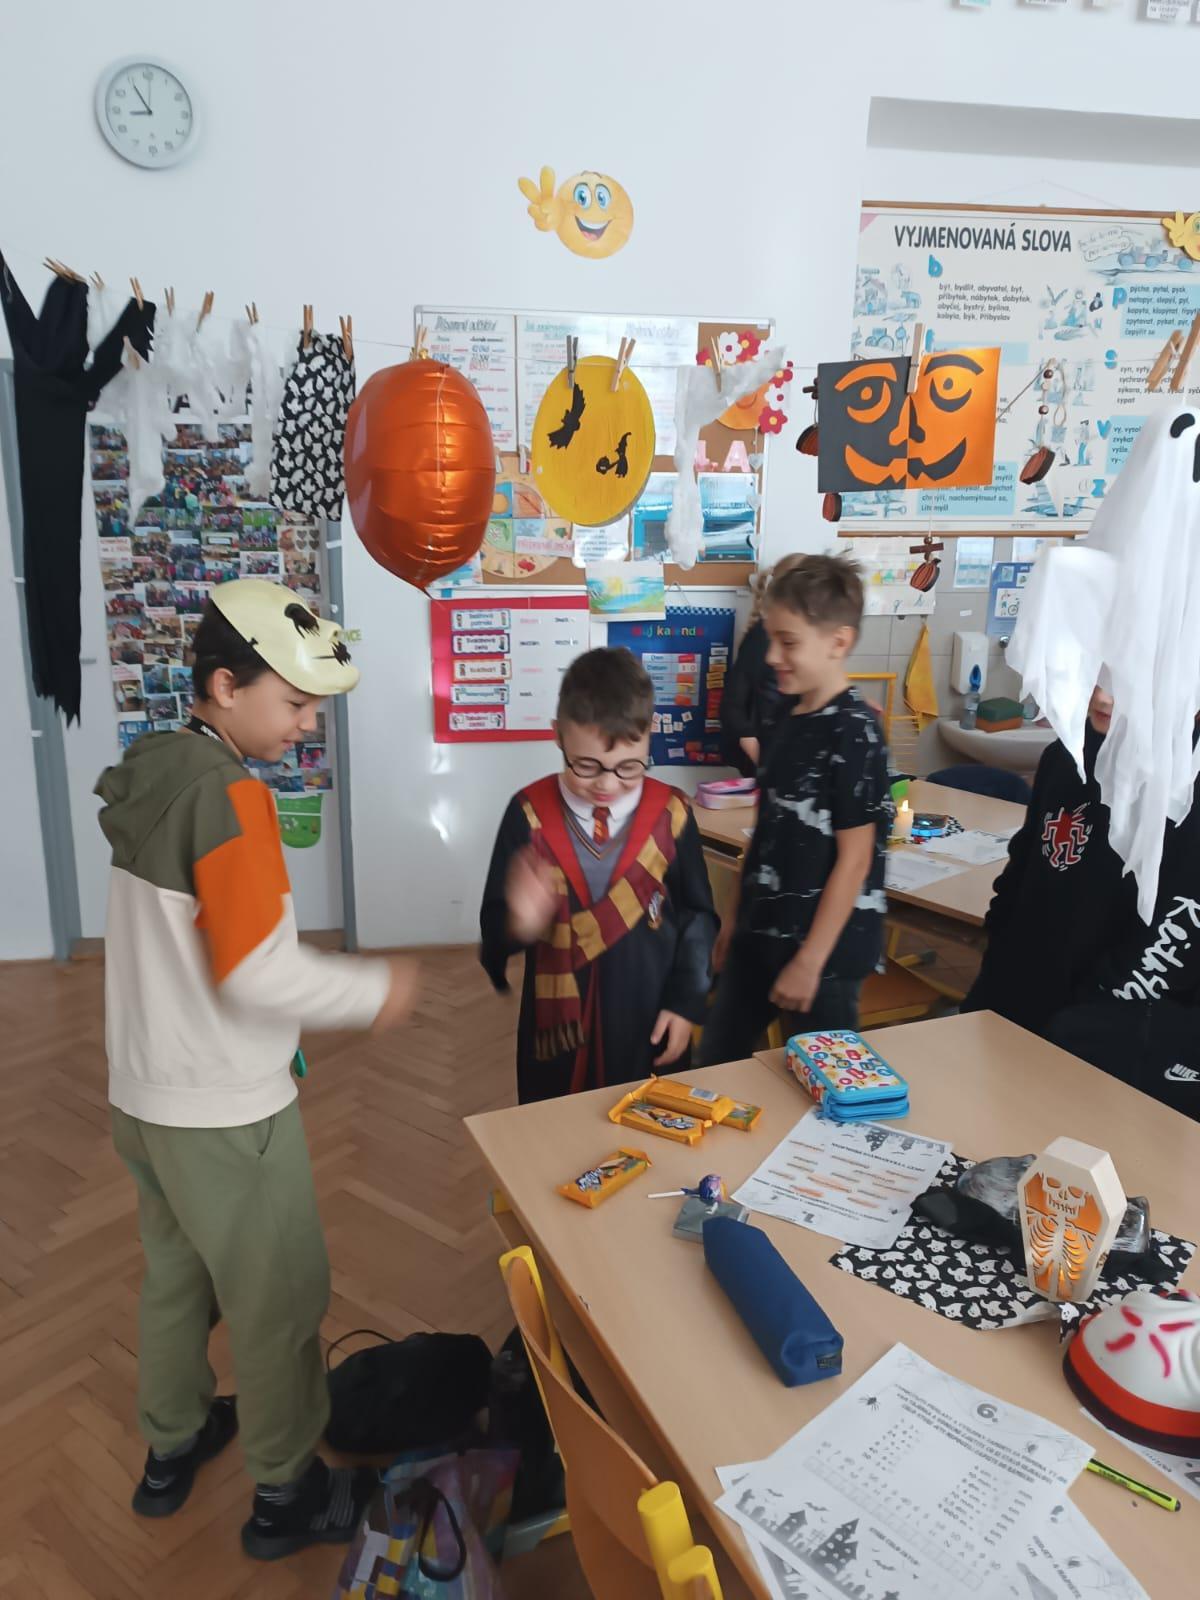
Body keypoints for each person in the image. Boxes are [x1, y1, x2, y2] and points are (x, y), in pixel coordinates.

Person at [96, 579, 419, 1560]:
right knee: (278, 1298)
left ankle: (174, 1441)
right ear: (227, 686)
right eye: (295, 701)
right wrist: (373, 990)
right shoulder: (232, 798)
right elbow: (256, 971)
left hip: (144, 1096)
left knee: (176, 1276)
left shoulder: (157, 765)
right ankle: (285, 1492)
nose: (308, 723)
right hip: (225, 1111)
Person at [480, 647, 717, 1103]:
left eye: (629, 767)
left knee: (650, 1125)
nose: (606, 784)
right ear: (558, 736)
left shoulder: (672, 812)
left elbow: (698, 918)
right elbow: (494, 927)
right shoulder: (527, 813)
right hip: (557, 1034)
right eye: (586, 765)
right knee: (554, 1131)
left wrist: (686, 1003)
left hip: (650, 1017)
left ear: (649, 735)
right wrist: (518, 924)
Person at [963, 686, 1200, 1119]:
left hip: (1113, 1054)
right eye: (1099, 670)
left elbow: (1172, 934)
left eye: (1128, 679)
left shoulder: (1186, 786)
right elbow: (1022, 874)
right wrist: (989, 984)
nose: (1103, 697)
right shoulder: (1065, 755)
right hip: (1014, 1014)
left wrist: (1084, 1027)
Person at [699, 555, 891, 1064]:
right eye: (770, 640)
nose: (772, 657)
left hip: (824, 957)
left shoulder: (855, 731)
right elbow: (765, 830)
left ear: (838, 642)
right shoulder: (783, 714)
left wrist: (810, 961)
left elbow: (855, 860)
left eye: (788, 643)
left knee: (822, 1081)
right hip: (758, 937)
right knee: (717, 1065)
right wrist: (732, 919)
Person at [719, 553, 804, 774]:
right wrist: (764, 760)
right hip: (770, 753)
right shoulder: (761, 637)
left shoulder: (807, 636)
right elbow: (732, 706)